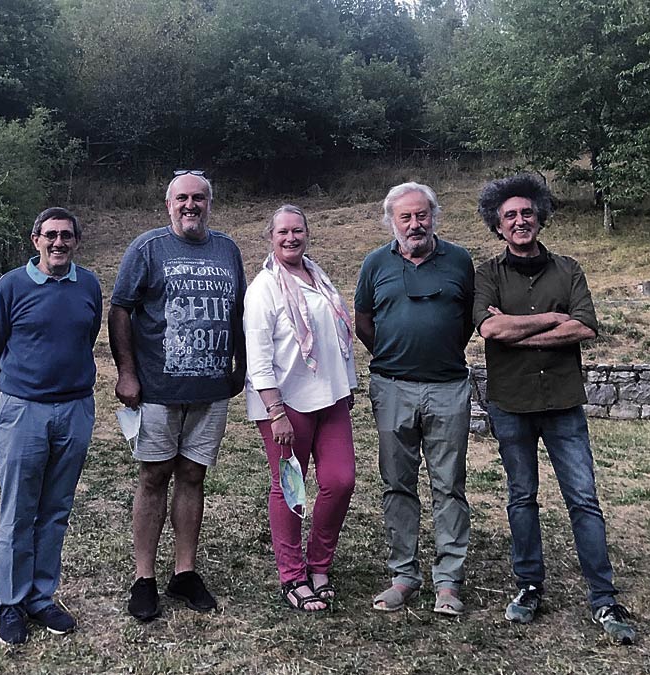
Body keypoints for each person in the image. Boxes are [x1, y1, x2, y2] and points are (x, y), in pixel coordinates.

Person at [473, 174, 637, 644]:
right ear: (497, 225)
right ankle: (528, 586)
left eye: (527, 213)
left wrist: (519, 329)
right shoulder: (487, 274)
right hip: (511, 403)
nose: (520, 221)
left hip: (564, 403)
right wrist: (550, 318)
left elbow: (585, 328)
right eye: (510, 216)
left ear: (540, 217)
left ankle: (603, 598)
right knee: (521, 497)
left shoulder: (569, 269)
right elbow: (489, 331)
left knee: (583, 499)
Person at [109, 170, 247, 621]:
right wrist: (127, 372)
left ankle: (184, 572)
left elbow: (240, 312)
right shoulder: (148, 248)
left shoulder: (227, 249)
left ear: (210, 203)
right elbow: (121, 309)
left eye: (199, 198)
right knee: (153, 477)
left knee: (192, 476)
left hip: (211, 391)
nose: (191, 205)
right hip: (157, 390)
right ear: (168, 205)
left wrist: (241, 368)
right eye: (182, 198)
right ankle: (144, 577)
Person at [0, 207, 102, 645]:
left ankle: (41, 596)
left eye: (66, 236)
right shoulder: (12, 285)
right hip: (24, 410)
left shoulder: (88, 284)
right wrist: (21, 385)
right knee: (18, 510)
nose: (58, 243)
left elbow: (86, 337)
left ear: (76, 241)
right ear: (35, 240)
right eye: (50, 235)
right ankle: (9, 603)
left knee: (55, 509)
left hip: (74, 411)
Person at [353, 182, 475, 616]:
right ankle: (403, 575)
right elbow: (363, 323)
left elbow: (465, 323)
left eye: (421, 215)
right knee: (397, 484)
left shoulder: (459, 261)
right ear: (391, 222)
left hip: (447, 387)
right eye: (405, 217)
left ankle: (448, 582)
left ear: (434, 216)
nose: (415, 224)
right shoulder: (374, 264)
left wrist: (434, 353)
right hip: (391, 388)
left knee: (449, 485)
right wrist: (394, 356)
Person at [244, 205, 357, 613]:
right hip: (285, 405)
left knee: (340, 481)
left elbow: (335, 336)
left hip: (330, 397)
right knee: (291, 490)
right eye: (282, 233)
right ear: (270, 238)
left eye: (297, 231)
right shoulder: (263, 288)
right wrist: (275, 412)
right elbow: (257, 358)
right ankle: (293, 576)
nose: (291, 238)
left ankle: (319, 564)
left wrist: (347, 386)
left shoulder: (318, 277)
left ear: (307, 233)